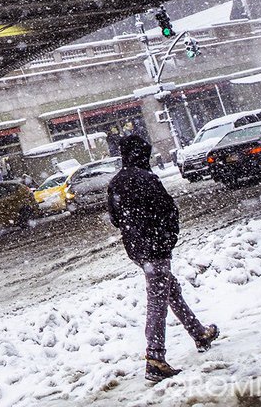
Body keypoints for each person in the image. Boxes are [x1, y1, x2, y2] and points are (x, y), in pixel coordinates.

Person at [106, 134, 218, 382]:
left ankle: (199, 333)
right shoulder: (147, 179)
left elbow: (115, 219)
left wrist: (135, 229)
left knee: (170, 290)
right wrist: (167, 237)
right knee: (158, 300)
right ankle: (155, 358)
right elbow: (168, 210)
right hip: (155, 247)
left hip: (136, 249)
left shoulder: (116, 182)